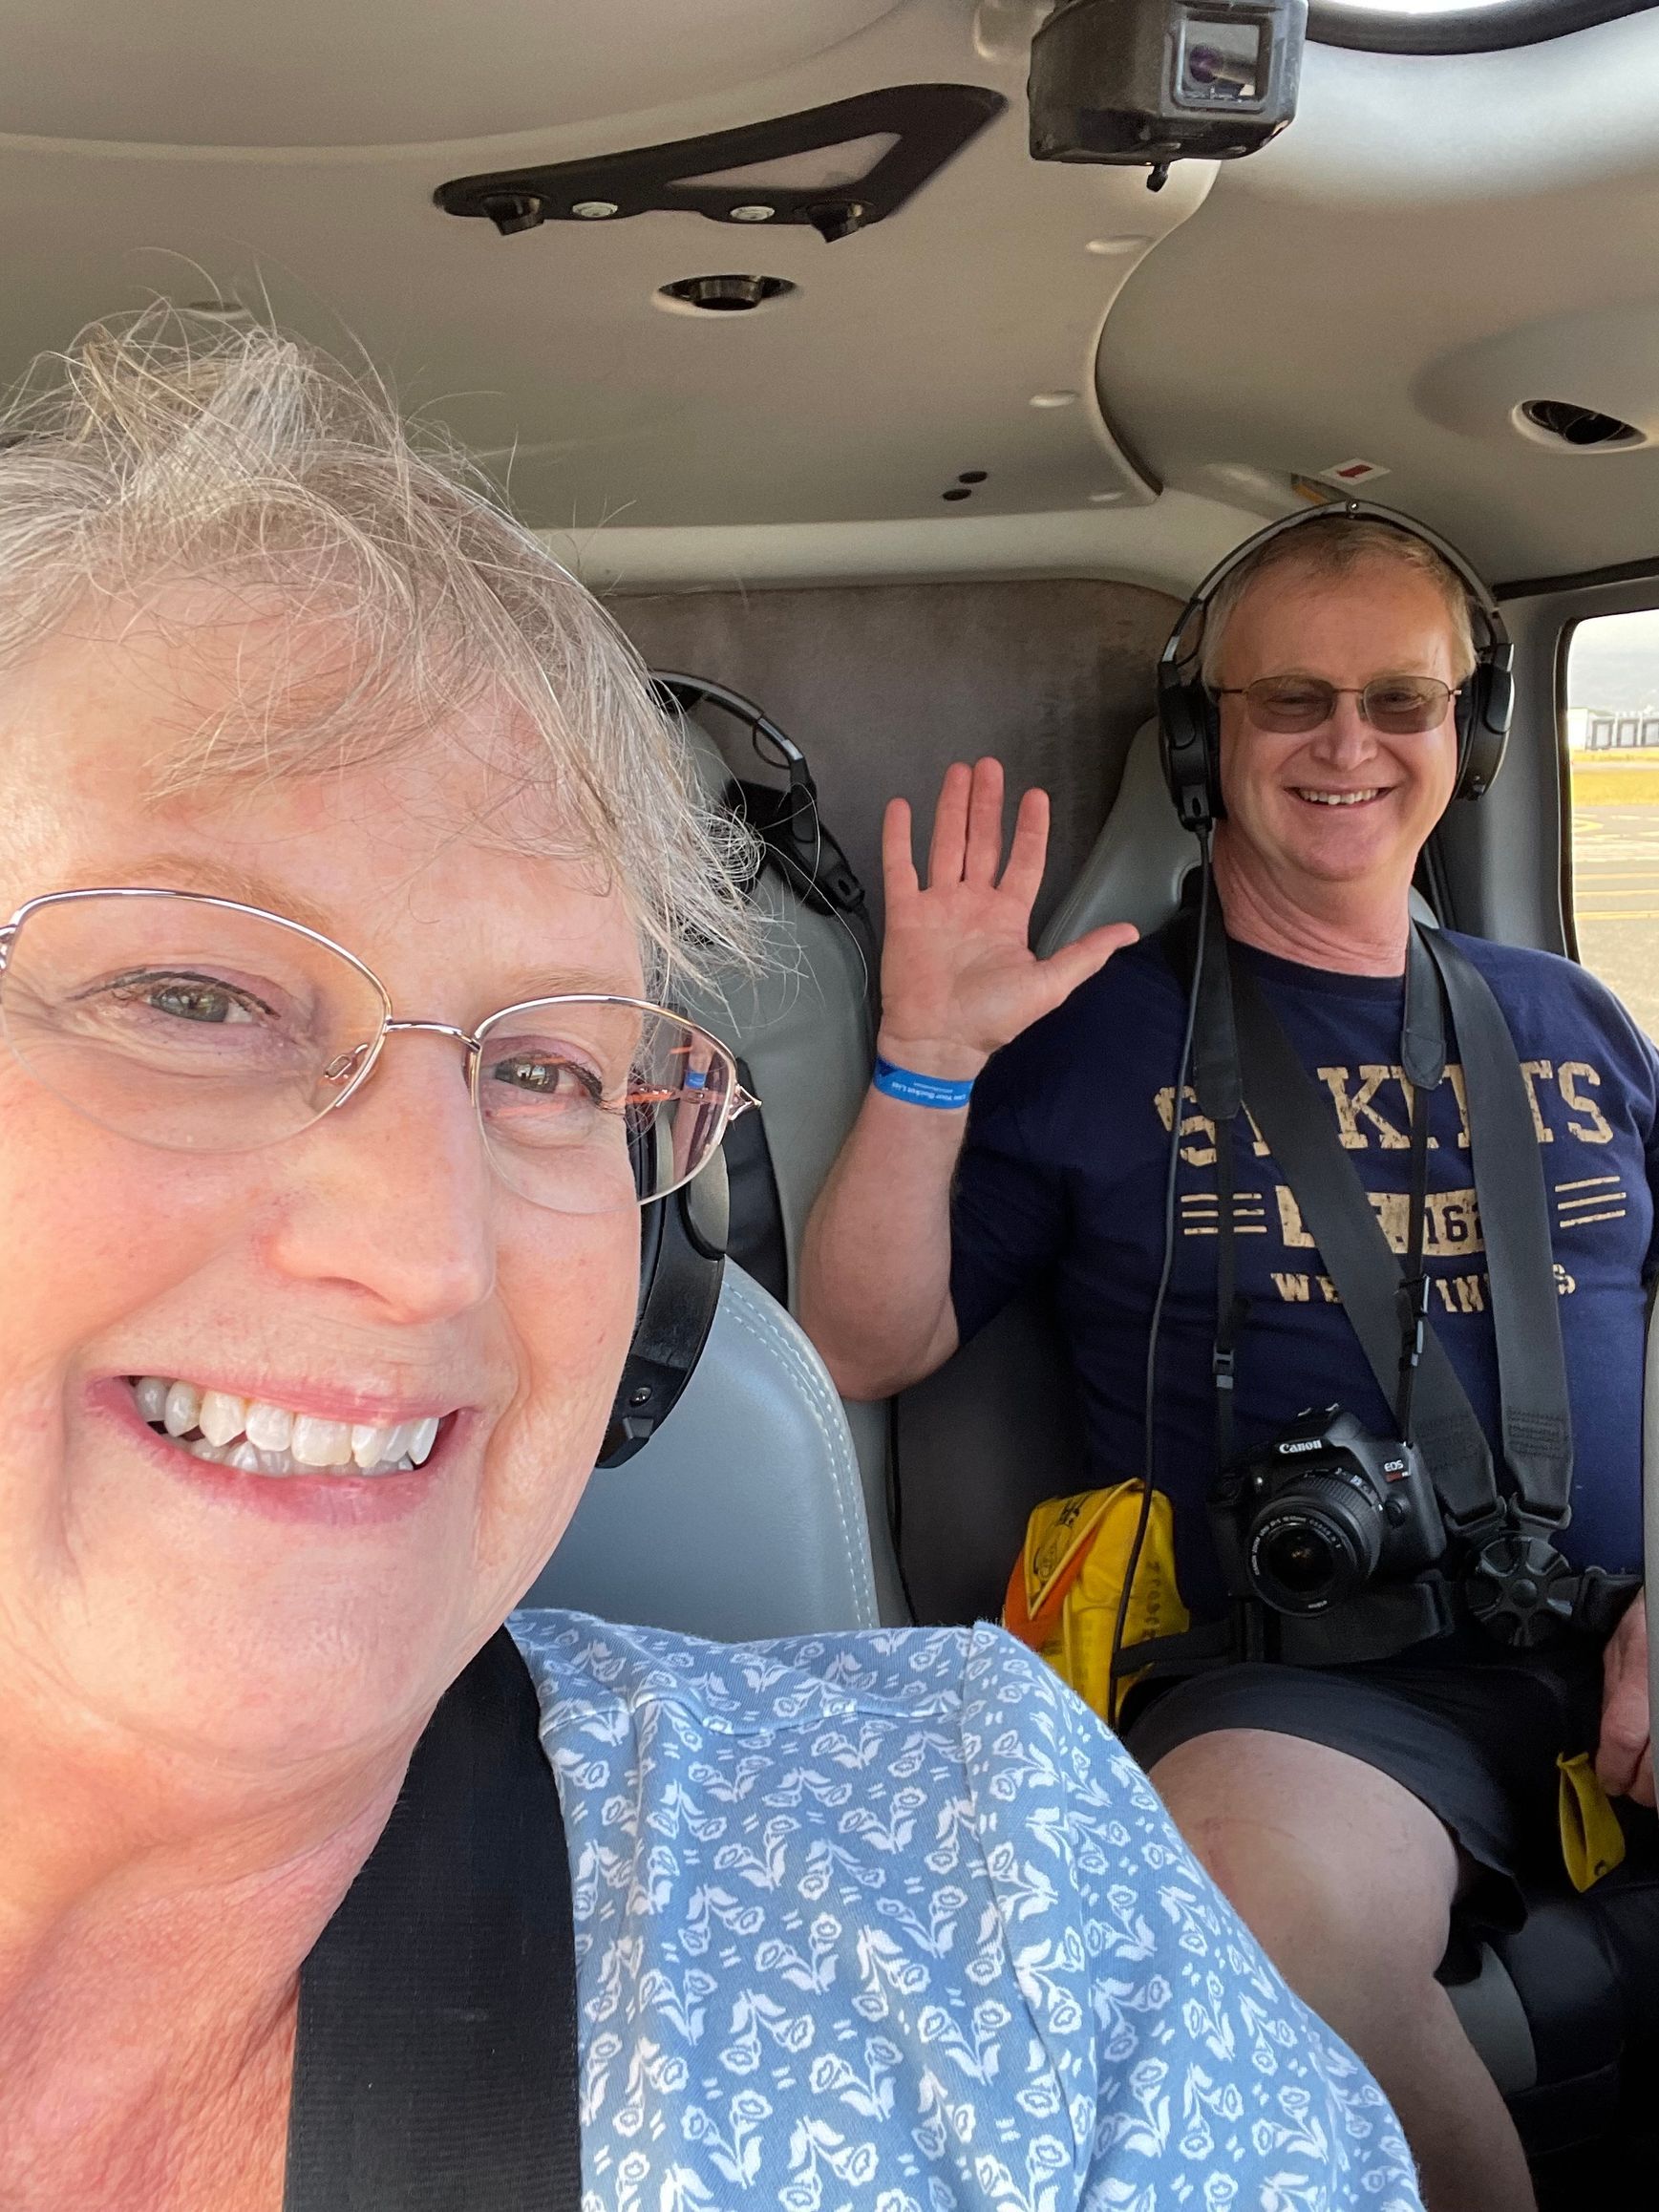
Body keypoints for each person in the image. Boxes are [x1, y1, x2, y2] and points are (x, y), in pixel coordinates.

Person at [0, 308, 1423, 2212]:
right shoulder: (967, 1868)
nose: (427, 1255)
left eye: (542, 1068)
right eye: (192, 996)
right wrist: (927, 1058)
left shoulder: (972, 1858)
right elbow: (861, 1331)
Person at [800, 511, 1659, 2212]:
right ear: (1204, 744)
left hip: (1622, 1615)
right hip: (1315, 1687)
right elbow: (859, 1341)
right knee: (1252, 1927)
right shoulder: (1089, 1040)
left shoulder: (1571, 1013)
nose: (1349, 745)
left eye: (1398, 702)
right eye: (1291, 701)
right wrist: (923, 1063)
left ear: (1467, 739)